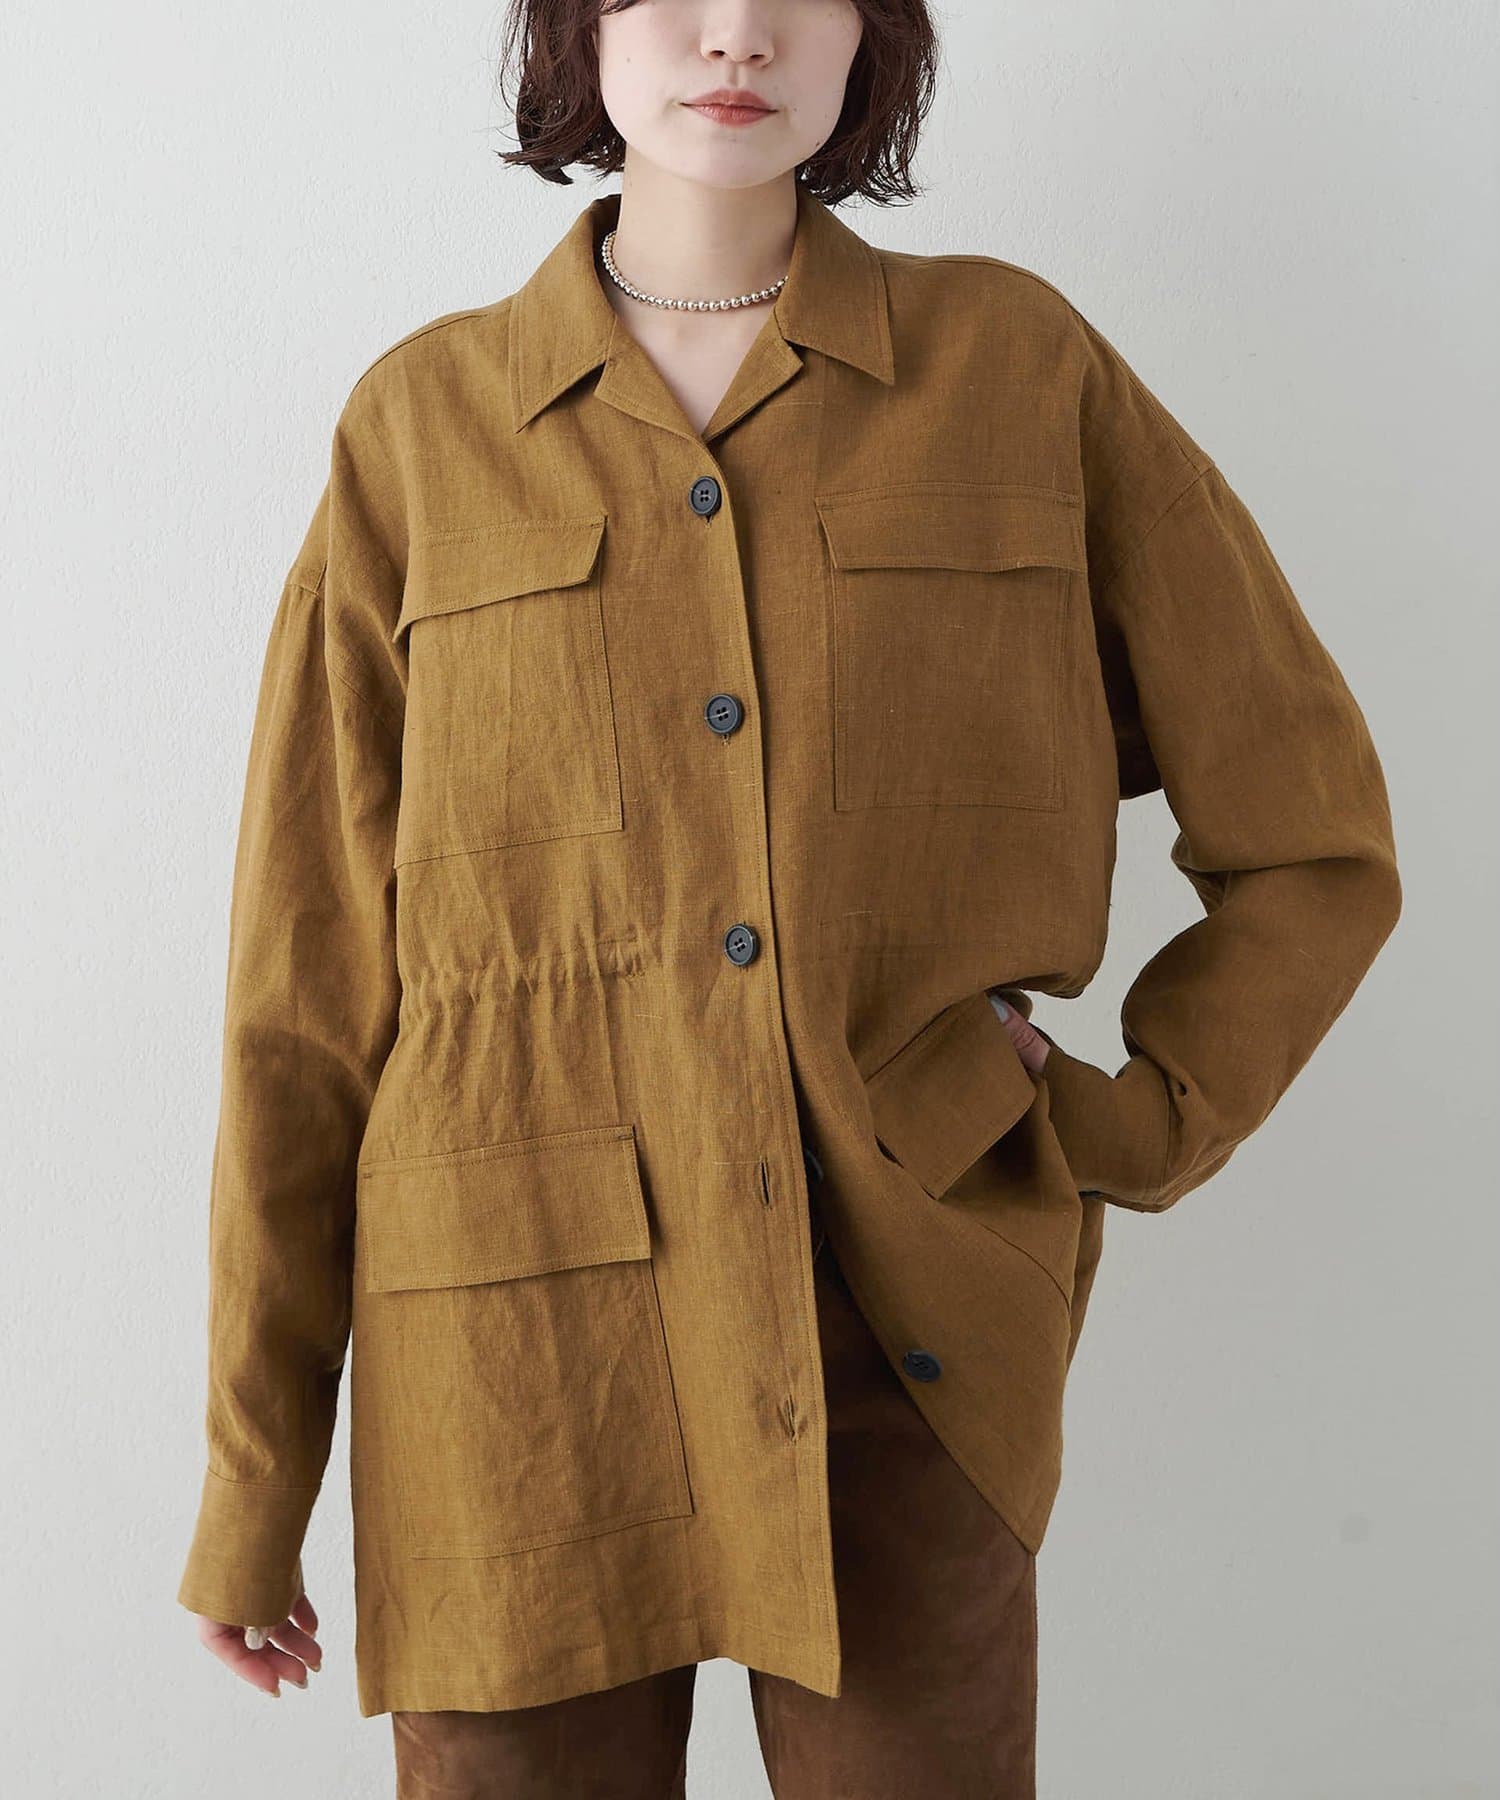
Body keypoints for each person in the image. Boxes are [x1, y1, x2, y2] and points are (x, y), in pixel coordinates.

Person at [176, 0, 1402, 1793]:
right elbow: (304, 994)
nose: (736, 34)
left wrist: (1129, 1124)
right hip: (510, 1354)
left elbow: (1311, 838)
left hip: (902, 1322)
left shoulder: (1018, 369)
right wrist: (253, 1477)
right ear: (580, 30)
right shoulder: (424, 426)